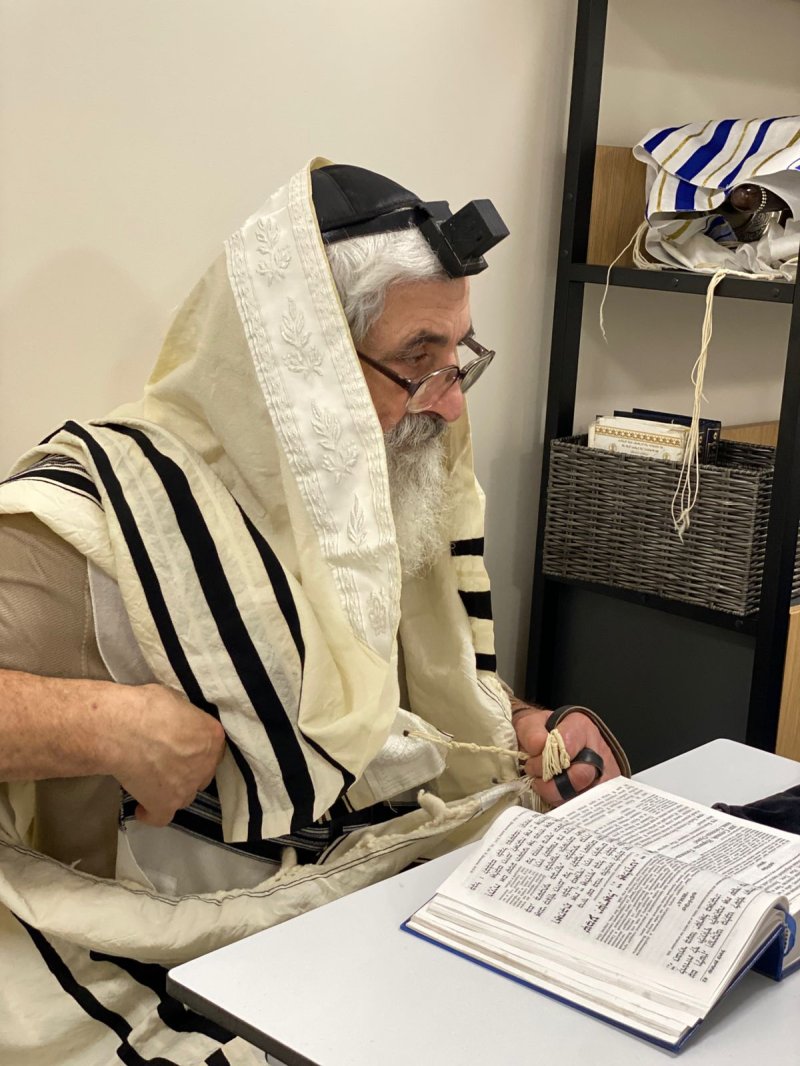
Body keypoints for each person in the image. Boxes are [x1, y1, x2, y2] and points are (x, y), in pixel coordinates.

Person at [0, 160, 628, 1064]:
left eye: (460, 357)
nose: (451, 403)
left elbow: (396, 699)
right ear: (301, 368)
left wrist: (521, 724)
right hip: (176, 935)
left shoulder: (375, 487)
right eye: (417, 360)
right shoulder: (112, 518)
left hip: (360, 898)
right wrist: (111, 725)